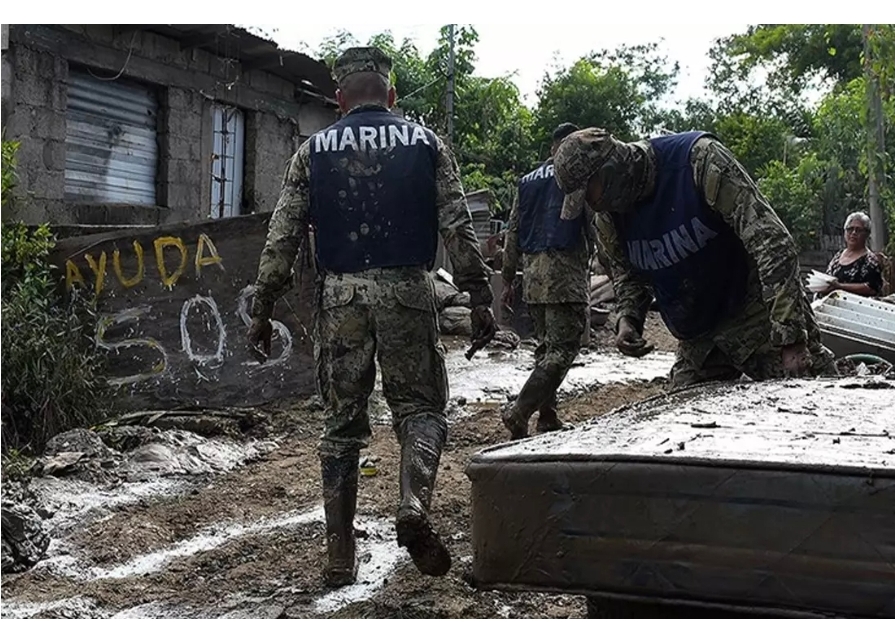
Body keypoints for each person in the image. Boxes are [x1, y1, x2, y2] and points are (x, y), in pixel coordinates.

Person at [247, 47, 497, 587]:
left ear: (339, 99)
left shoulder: (312, 152)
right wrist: (479, 294)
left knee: (340, 425)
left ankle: (339, 555)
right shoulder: (428, 145)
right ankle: (411, 503)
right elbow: (458, 228)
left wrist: (263, 307)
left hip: (340, 300)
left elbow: (282, 236)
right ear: (390, 96)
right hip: (409, 290)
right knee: (422, 409)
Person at [552, 127, 837, 388]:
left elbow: (771, 242)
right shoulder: (608, 217)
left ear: (610, 170)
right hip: (698, 338)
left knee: (817, 406)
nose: (590, 204)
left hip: (757, 316)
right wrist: (628, 318)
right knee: (681, 425)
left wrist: (790, 337)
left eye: (588, 193)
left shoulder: (698, 161)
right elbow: (627, 273)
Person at [499, 122, 591, 440]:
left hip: (534, 276)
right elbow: (595, 227)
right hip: (565, 275)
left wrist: (508, 278)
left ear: (551, 148)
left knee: (544, 349)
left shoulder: (527, 182)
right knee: (563, 350)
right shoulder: (577, 177)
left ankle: (547, 415)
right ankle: (520, 411)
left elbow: (512, 231)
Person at [823, 212, 884, 297]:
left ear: (866, 234)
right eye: (850, 229)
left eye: (858, 230)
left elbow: (872, 288)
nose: (853, 233)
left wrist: (840, 287)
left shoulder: (870, 260)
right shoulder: (838, 256)